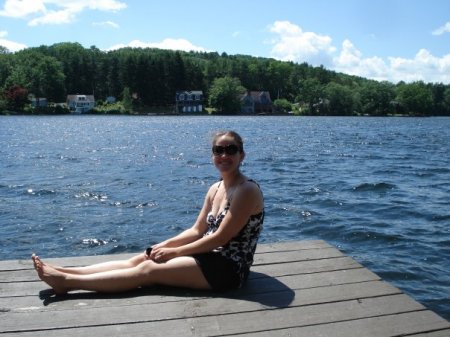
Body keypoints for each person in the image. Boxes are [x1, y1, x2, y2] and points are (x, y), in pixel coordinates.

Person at [32, 130, 264, 294]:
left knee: (148, 270)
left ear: (241, 155)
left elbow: (220, 238)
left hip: (229, 268)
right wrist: (163, 246)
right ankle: (66, 270)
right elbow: (197, 230)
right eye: (218, 150)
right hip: (208, 255)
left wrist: (174, 253)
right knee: (143, 257)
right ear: (213, 155)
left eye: (231, 150)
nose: (224, 155)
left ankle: (67, 282)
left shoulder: (246, 190)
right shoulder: (215, 188)